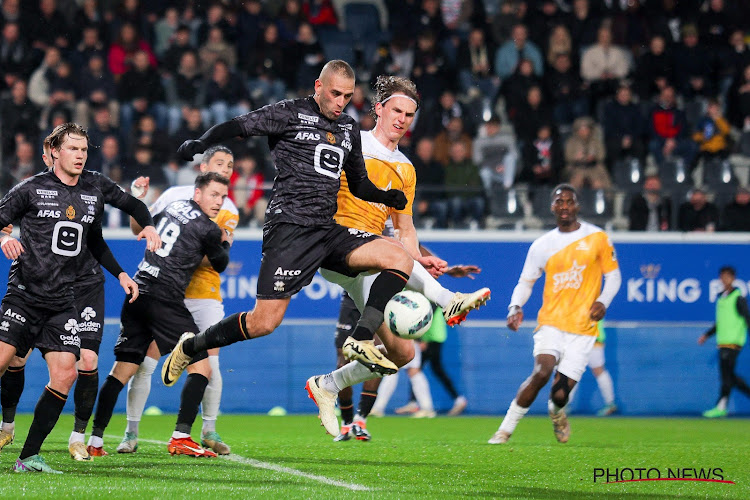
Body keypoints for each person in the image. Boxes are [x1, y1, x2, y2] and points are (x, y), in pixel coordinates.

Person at [158, 62, 415, 438]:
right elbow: (239, 126)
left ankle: (361, 337)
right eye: (335, 94)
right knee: (264, 322)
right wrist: (201, 143)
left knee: (398, 255)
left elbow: (358, 183)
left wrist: (385, 196)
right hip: (289, 231)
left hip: (327, 231)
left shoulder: (346, 129)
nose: (341, 102)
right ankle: (191, 346)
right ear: (318, 87)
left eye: (347, 96)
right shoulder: (289, 113)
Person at [314, 75, 490, 440]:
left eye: (409, 114)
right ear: (378, 109)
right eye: (396, 110)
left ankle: (327, 385)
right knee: (395, 257)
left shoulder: (406, 168)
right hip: (334, 243)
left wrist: (419, 259)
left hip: (370, 259)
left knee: (402, 353)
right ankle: (447, 301)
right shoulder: (352, 141)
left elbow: (405, 231)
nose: (402, 119)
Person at [0, 132, 160, 463]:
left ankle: (28, 458)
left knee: (68, 373)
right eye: (73, 148)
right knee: (5, 361)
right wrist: (3, 240)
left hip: (63, 300)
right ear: (54, 153)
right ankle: (8, 425)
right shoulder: (30, 189)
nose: (80, 155)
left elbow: (122, 215)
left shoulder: (95, 186)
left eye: (84, 149)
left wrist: (147, 229)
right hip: (25, 296)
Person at [86, 172, 232, 458]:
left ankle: (95, 440)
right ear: (198, 193)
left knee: (122, 371)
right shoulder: (208, 227)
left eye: (223, 197)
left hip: (137, 293)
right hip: (165, 299)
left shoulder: (172, 207)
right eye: (214, 194)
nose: (218, 202)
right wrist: (225, 240)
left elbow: (142, 224)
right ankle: (181, 436)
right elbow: (221, 263)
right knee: (202, 368)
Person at [118, 146, 238, 455]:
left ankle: (207, 430)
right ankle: (130, 433)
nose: (225, 169)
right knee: (145, 363)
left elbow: (215, 259)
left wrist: (183, 247)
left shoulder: (229, 208)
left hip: (204, 294)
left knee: (210, 364)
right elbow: (141, 229)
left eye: (230, 165)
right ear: (203, 167)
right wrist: (139, 202)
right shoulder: (173, 195)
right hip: (166, 292)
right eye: (220, 163)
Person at [489, 184, 621, 445]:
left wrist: (603, 301)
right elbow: (526, 282)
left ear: (577, 206)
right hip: (551, 322)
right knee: (542, 371)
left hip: (583, 328)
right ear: (552, 207)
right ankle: (504, 430)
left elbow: (614, 276)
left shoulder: (597, 238)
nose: (564, 207)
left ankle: (557, 412)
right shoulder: (542, 245)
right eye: (559, 202)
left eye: (569, 202)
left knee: (559, 396)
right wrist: (515, 306)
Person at [698, 266, 750, 418]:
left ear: (733, 278)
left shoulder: (738, 298)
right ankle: (721, 405)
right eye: (722, 277)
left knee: (726, 377)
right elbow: (720, 323)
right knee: (729, 377)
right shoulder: (722, 297)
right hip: (723, 342)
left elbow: (747, 318)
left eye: (727, 277)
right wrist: (707, 335)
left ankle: (721, 406)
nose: (724, 279)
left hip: (734, 342)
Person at [566, 321, 617, 416]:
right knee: (599, 371)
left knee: (573, 371)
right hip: (594, 340)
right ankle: (610, 403)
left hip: (583, 340)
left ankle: (564, 405)